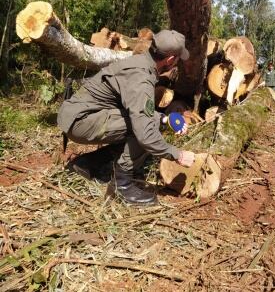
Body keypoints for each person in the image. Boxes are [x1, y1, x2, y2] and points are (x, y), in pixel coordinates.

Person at [57, 30, 195, 206]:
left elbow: (135, 108)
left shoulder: (141, 63)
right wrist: (178, 155)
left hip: (79, 115)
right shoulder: (141, 78)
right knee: (146, 127)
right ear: (169, 60)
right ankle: (121, 187)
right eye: (177, 59)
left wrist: (164, 119)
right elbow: (144, 133)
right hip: (80, 121)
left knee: (150, 121)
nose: (177, 63)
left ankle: (88, 163)